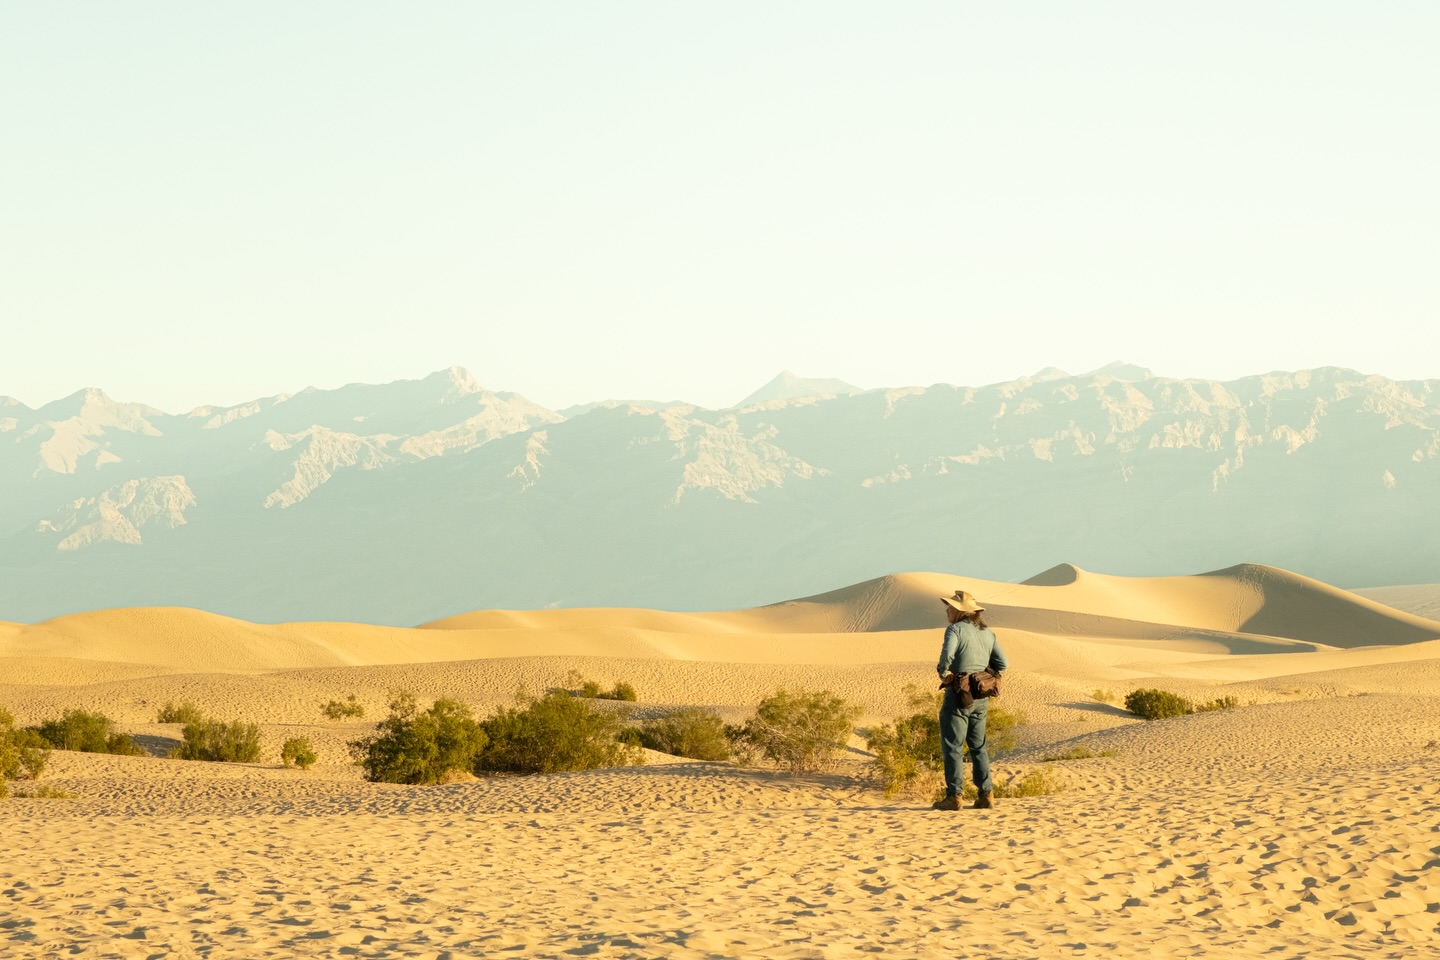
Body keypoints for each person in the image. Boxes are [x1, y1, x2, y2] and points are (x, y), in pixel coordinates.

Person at [933, 589, 1008, 811]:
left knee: (953, 746)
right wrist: (981, 676)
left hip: (958, 694)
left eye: (950, 606)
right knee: (979, 746)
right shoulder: (987, 633)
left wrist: (943, 672)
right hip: (981, 697)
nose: (947, 609)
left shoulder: (954, 629)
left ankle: (954, 796)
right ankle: (986, 794)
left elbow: (947, 655)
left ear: (959, 611)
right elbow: (1002, 664)